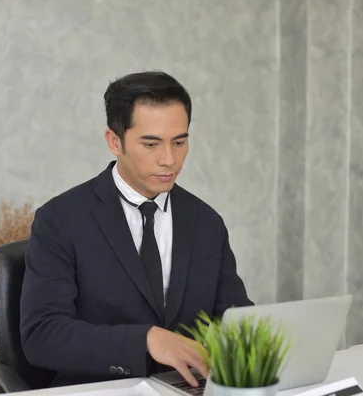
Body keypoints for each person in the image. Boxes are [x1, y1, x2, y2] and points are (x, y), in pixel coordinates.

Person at [19, 71, 253, 388]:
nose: (169, 160)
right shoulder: (60, 220)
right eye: (151, 144)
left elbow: (232, 317)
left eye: (179, 142)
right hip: (99, 390)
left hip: (190, 388)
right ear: (115, 142)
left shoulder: (207, 221)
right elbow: (43, 335)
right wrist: (145, 339)